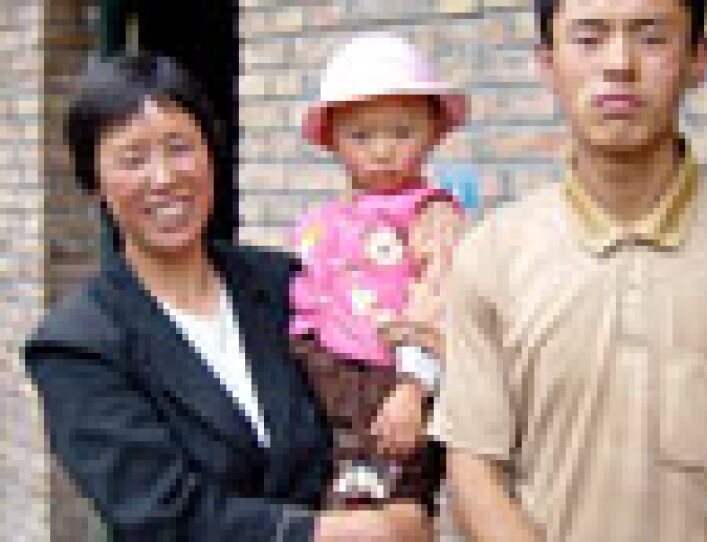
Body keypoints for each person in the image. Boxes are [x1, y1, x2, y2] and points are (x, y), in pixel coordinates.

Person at [431, 1, 707, 540]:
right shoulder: (491, 254)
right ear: (548, 63)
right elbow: (473, 469)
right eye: (589, 39)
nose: (619, 63)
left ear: (698, 58)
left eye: (652, 37)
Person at [24, 53, 430, 541]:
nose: (164, 178)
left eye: (179, 148)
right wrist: (339, 533)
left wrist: (406, 501)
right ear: (94, 185)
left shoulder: (286, 284)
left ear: (211, 155)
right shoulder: (79, 343)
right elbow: (158, 513)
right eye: (133, 159)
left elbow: (373, 395)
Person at [290, 32, 466, 514]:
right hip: (326, 382)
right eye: (361, 137)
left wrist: (413, 389)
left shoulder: (431, 216)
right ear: (331, 139)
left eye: (401, 133)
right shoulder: (322, 221)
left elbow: (437, 303)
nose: (382, 151)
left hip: (389, 384)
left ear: (433, 131)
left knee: (385, 499)